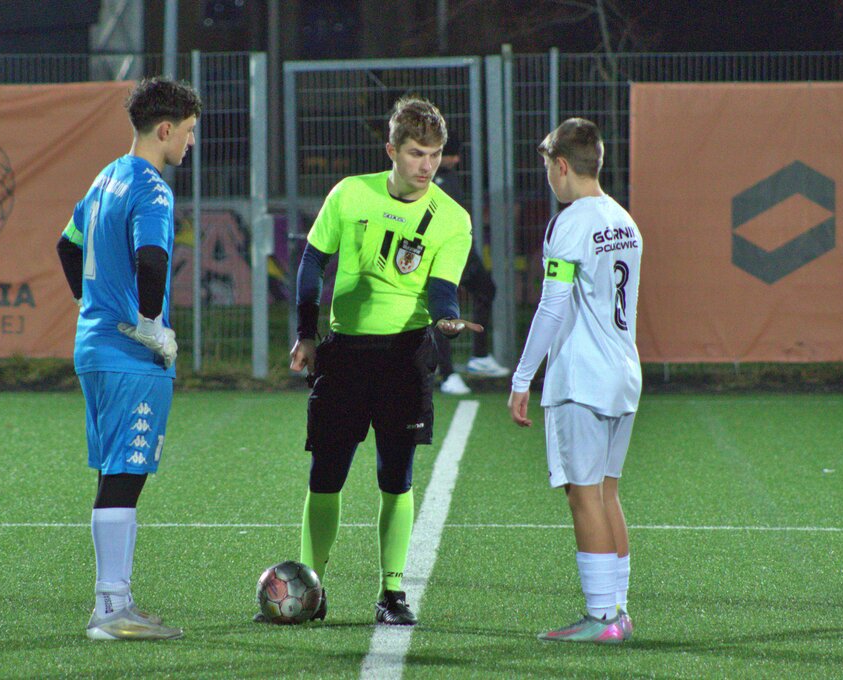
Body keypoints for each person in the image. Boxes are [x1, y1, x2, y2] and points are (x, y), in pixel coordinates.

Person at [267, 96, 481, 626]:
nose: (426, 166)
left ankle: (392, 593)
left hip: (403, 358)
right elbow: (312, 262)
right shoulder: (350, 194)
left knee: (396, 478)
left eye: (434, 154)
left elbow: (442, 289)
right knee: (325, 476)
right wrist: (306, 334)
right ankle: (312, 590)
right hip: (343, 356)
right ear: (391, 150)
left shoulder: (452, 219)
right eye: (416, 153)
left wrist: (448, 318)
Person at [56, 77, 202, 641]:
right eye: (188, 131)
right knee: (124, 477)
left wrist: (90, 302)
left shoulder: (106, 176)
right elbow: (152, 259)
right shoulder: (151, 188)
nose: (190, 142)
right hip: (129, 356)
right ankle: (111, 610)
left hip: (95, 346)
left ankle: (115, 603)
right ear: (165, 129)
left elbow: (66, 245)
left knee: (115, 474)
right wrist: (150, 326)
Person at [507, 118, 642, 643]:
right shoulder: (624, 220)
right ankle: (618, 610)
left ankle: (602, 618)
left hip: (582, 380)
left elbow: (552, 307)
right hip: (623, 373)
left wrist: (523, 377)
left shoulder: (569, 224)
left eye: (548, 166)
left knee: (583, 497)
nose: (548, 177)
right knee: (606, 493)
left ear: (561, 165)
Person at [432, 133, 510, 396]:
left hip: (462, 250)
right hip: (441, 254)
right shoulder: (429, 180)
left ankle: (479, 357)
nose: (456, 159)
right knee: (443, 311)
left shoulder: (448, 176)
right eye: (452, 154)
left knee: (486, 289)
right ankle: (447, 374)